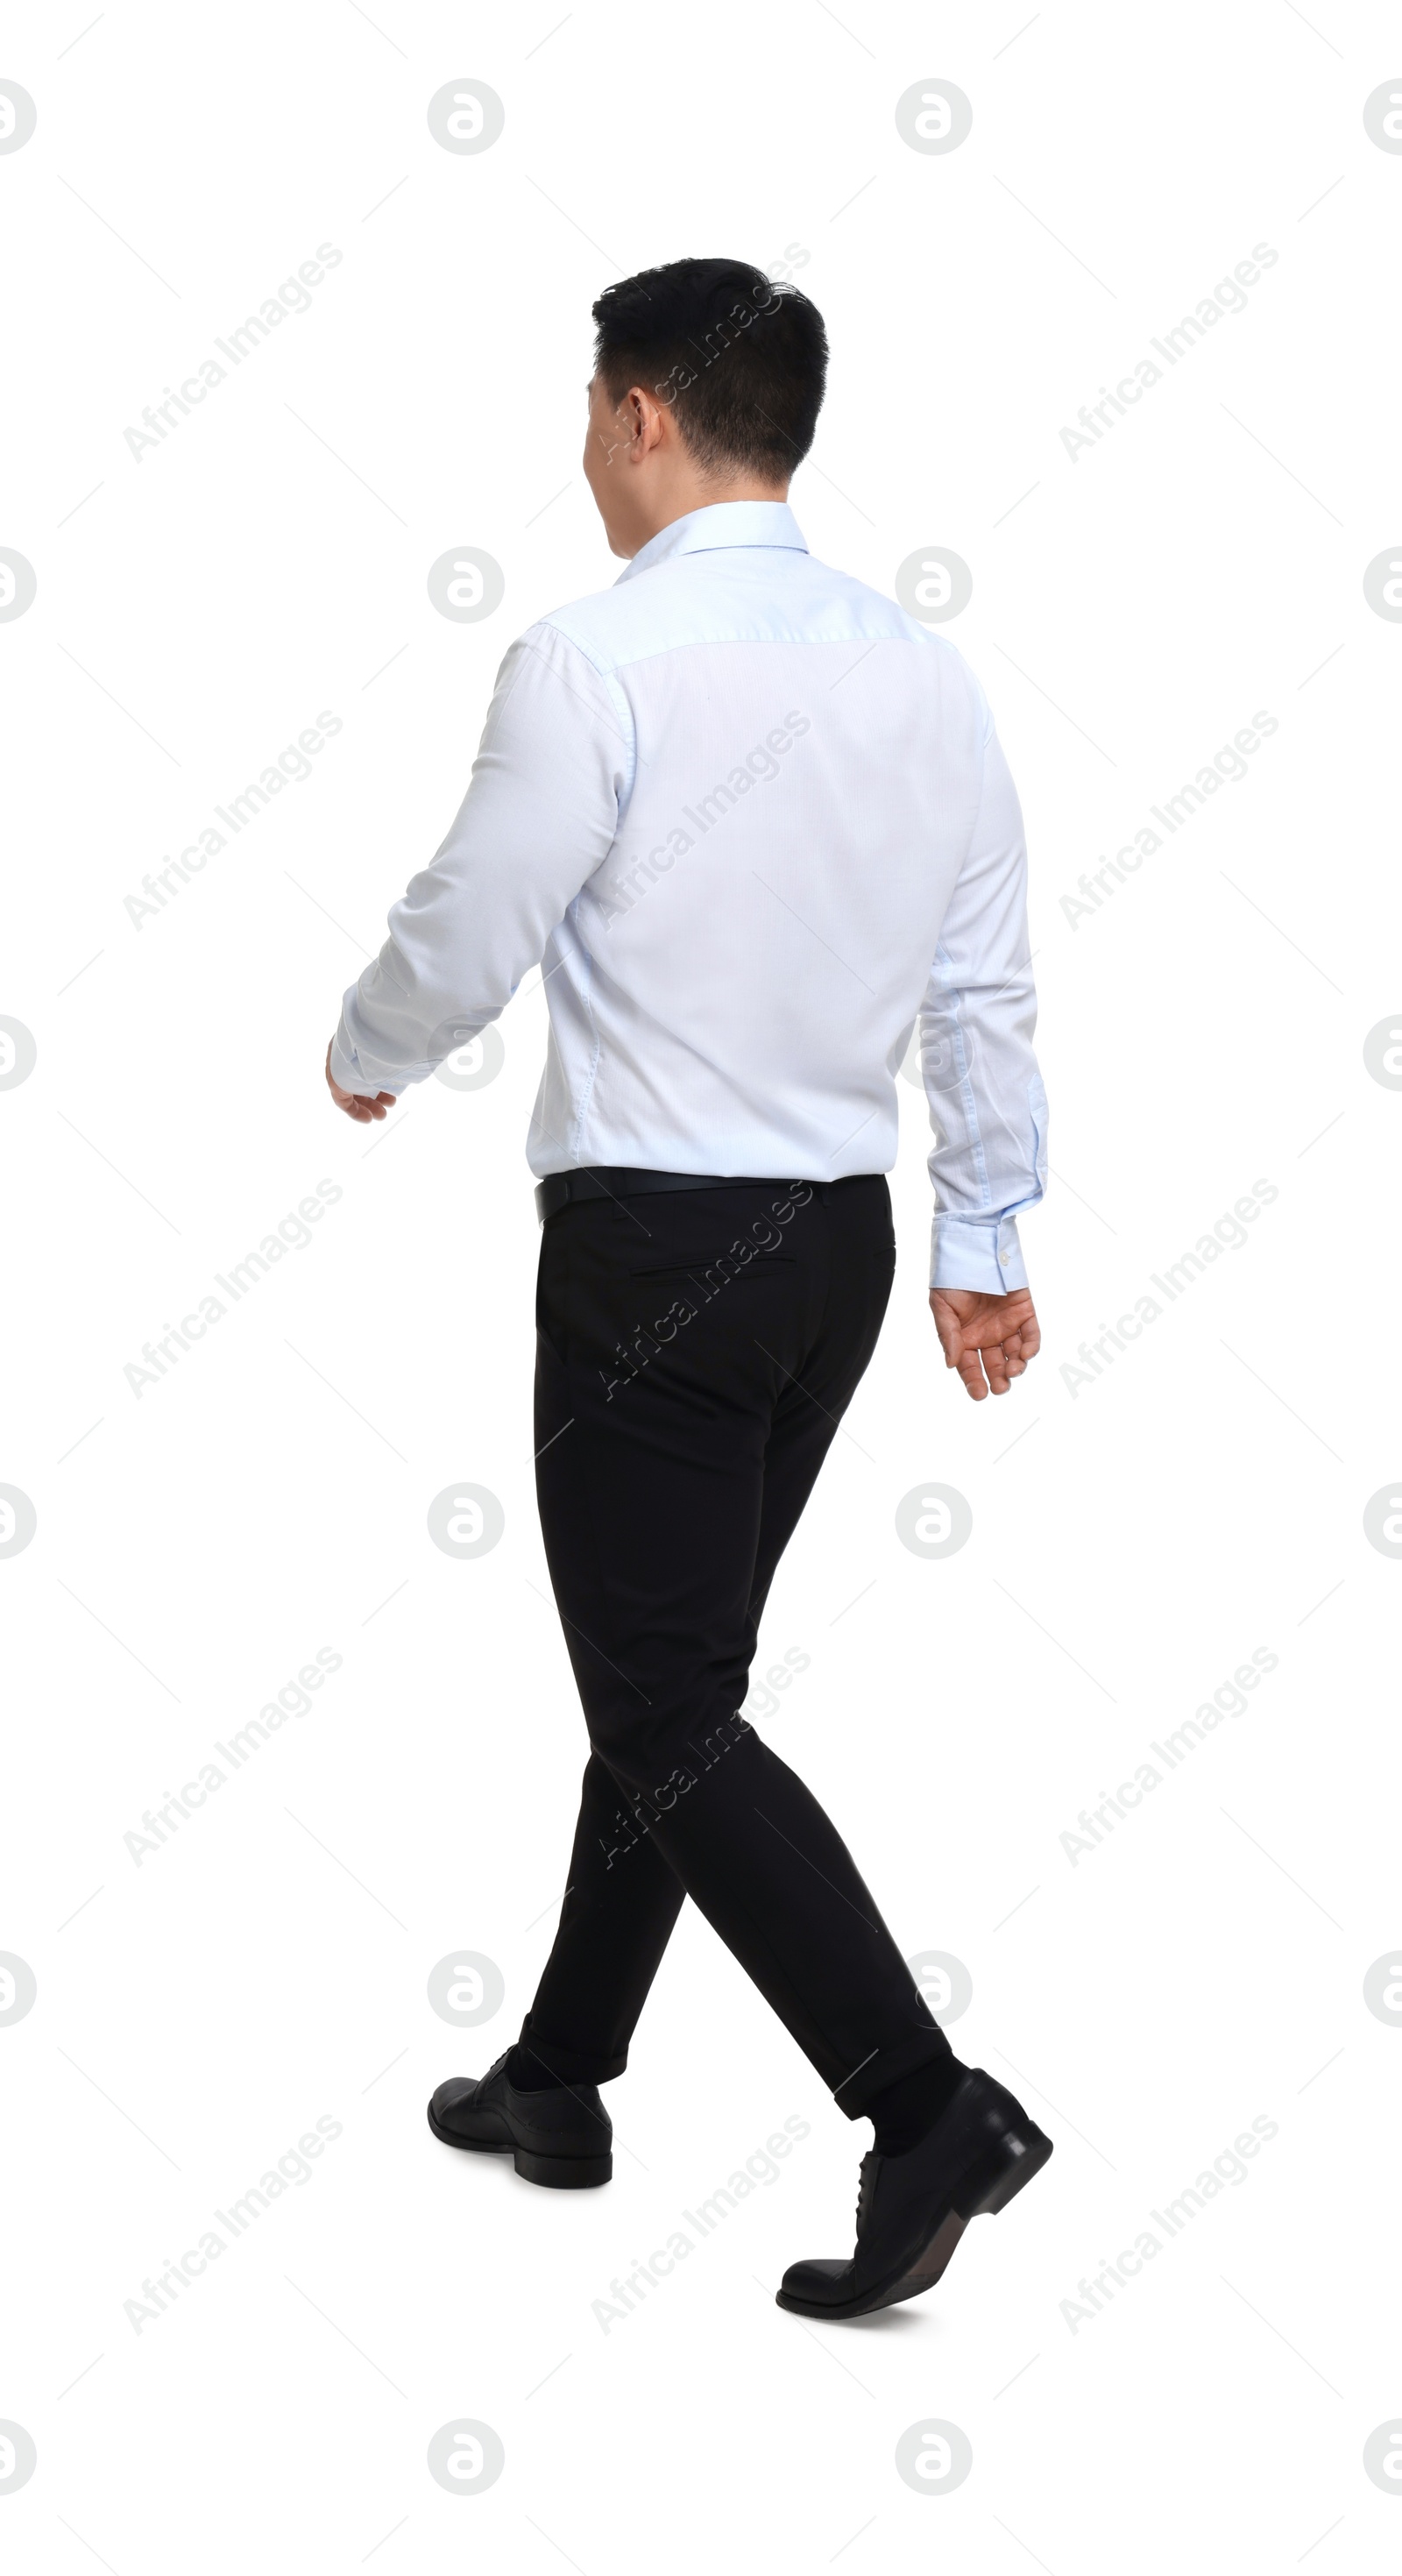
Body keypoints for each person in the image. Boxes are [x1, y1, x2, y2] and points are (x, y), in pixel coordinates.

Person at [326, 257, 1052, 2321]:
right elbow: (981, 984)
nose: (581, 447)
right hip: (831, 1252)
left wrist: (375, 1038)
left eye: (588, 409)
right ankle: (561, 2073)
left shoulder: (593, 660)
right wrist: (983, 1244)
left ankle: (920, 2105)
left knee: (662, 1704)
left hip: (651, 1248)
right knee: (673, 1691)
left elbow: (476, 913)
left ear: (642, 410)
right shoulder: (926, 673)